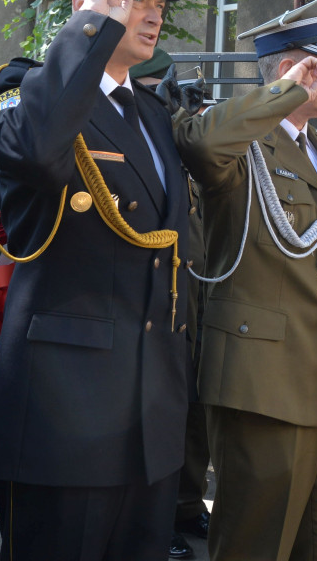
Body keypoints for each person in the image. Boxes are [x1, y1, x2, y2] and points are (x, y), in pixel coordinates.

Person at [0, 0, 192, 561]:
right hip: (64, 417)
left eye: (159, 3)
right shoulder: (24, 97)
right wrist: (89, 30)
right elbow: (43, 155)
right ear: (87, 4)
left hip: (148, 415)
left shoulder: (151, 113)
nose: (152, 14)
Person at [175, 0, 317, 561]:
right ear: (297, 67)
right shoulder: (241, 143)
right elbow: (200, 143)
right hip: (265, 387)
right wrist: (286, 91)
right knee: (256, 545)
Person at [129, 49, 212, 561]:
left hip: (199, 292)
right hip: (158, 297)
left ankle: (185, 501)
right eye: (163, 90)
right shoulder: (139, 145)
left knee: (194, 405)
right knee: (160, 413)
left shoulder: (178, 148)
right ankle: (157, 518)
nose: (173, 101)